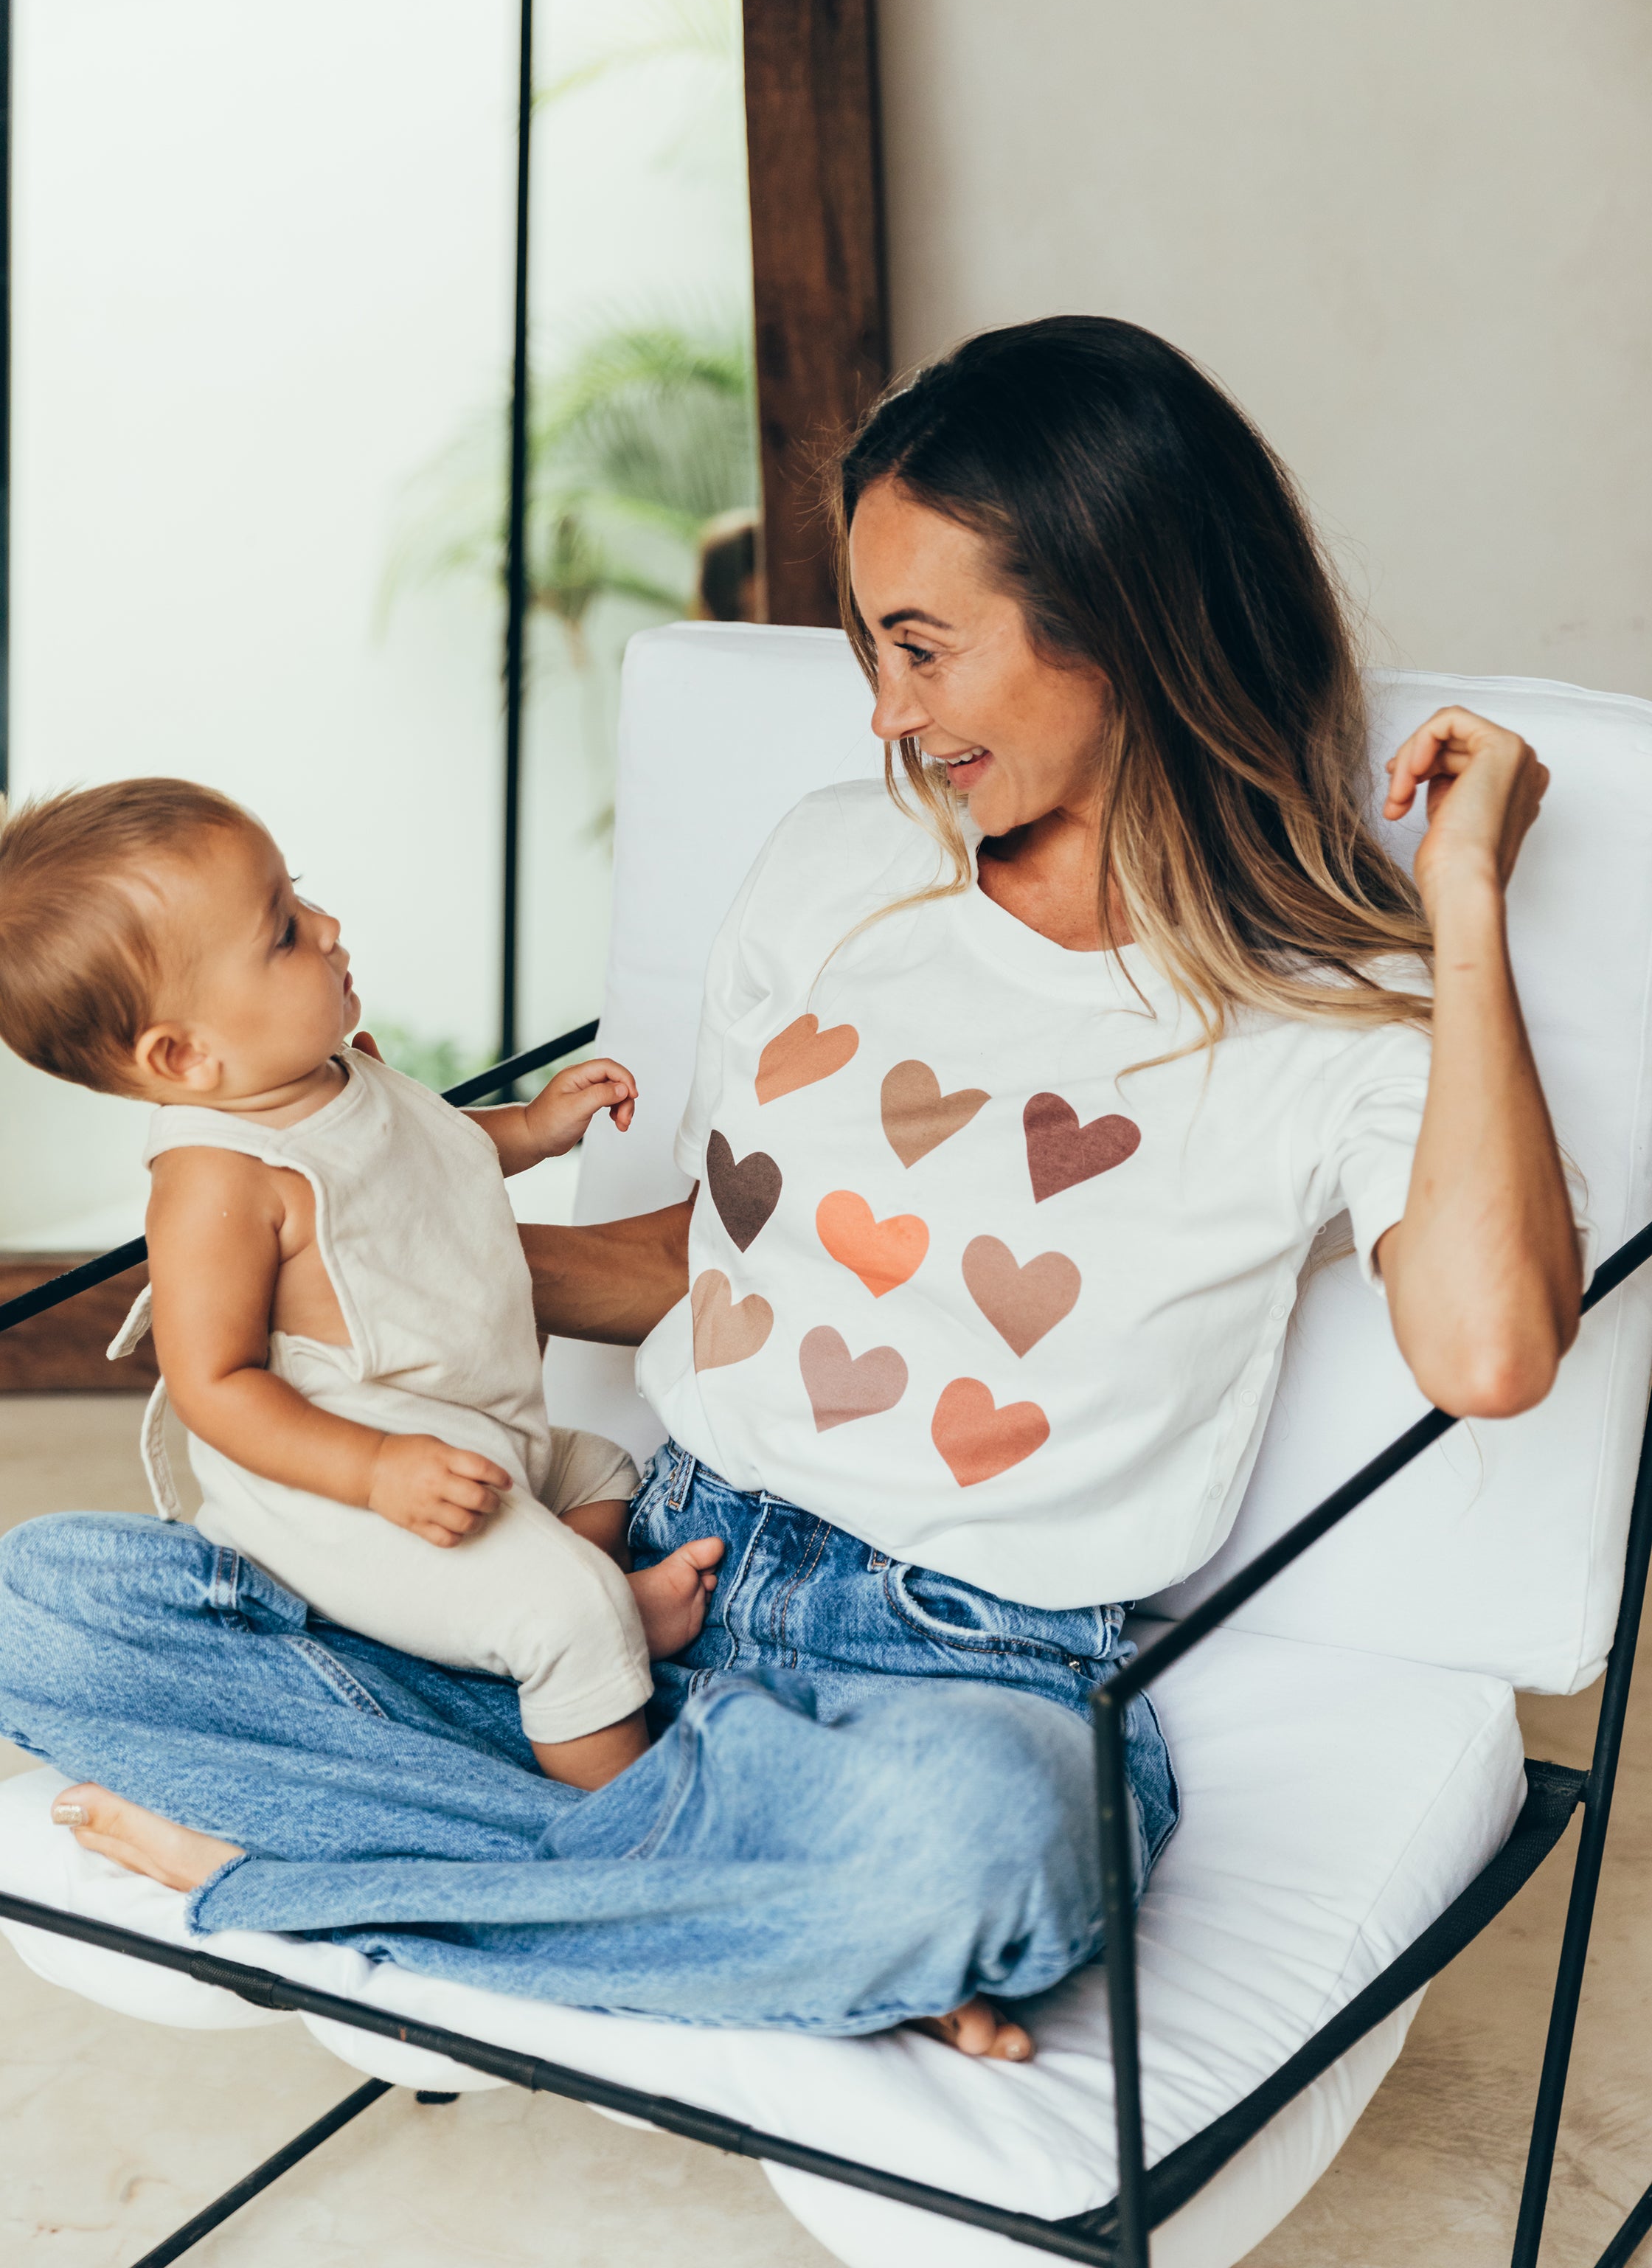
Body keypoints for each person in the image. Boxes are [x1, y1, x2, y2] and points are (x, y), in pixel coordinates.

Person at [0, 317, 1580, 2067]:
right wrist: (336, 1275)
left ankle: (311, 1881)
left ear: (1123, 618)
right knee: (49, 1606)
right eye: (867, 650)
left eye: (921, 648)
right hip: (627, 1572)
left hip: (949, 1672)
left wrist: (1461, 907)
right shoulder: (836, 861)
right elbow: (715, 1260)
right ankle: (665, 1892)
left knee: (974, 1856)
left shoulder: (1335, 1015)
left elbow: (1492, 1356)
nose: (888, 714)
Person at [0, 783, 724, 1788]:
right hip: (348, 1495)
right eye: (285, 933)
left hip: (472, 1426)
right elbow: (214, 1386)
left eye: (300, 895)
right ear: (185, 1054)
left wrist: (539, 1126)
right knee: (568, 1619)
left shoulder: (330, 1073)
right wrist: (376, 1470)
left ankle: (552, 1624)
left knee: (602, 1471)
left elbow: (429, 1153)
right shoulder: (219, 1176)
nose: (330, 927)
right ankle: (618, 1819)